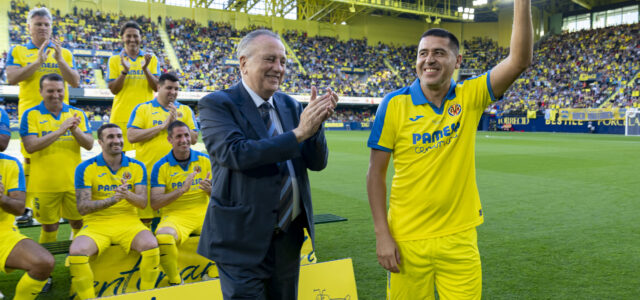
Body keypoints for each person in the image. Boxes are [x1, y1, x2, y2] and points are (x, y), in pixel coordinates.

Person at [366, 1, 533, 299]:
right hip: (406, 239)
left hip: (459, 238)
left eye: (439, 53)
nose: (429, 60)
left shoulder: (470, 96)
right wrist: (382, 234)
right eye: (423, 53)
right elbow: (375, 173)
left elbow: (519, 60)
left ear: (457, 61)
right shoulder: (393, 104)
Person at [197, 29, 337, 300]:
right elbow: (236, 153)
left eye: (283, 61)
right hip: (240, 240)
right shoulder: (217, 104)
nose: (279, 68)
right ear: (243, 63)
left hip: (287, 237)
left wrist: (316, 125)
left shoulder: (290, 105)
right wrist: (299, 133)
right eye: (270, 59)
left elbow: (317, 163)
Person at [5, 6, 80, 223]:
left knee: (62, 154)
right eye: (38, 24)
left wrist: (59, 60)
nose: (43, 28)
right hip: (31, 114)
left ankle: (63, 201)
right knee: (30, 158)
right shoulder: (18, 50)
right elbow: (12, 78)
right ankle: (27, 205)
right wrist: (38, 61)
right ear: (29, 27)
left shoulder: (64, 52)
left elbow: (74, 81)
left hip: (60, 114)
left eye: (47, 24)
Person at [69, 123, 159, 299]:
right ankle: (88, 297)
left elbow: (142, 203)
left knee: (151, 245)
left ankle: (148, 294)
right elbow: (83, 207)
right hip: (97, 224)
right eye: (110, 137)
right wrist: (113, 200)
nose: (116, 140)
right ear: (100, 142)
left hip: (129, 222)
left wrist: (127, 196)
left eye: (119, 136)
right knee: (77, 251)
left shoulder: (137, 166)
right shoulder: (85, 167)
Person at [19, 73, 93, 243]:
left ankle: (76, 259)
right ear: (41, 91)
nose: (56, 94)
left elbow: (89, 144)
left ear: (65, 90)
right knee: (49, 226)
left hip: (74, 182)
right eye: (50, 90)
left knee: (78, 221)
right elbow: (31, 146)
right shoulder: (30, 115)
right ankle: (45, 267)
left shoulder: (76, 113)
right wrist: (60, 130)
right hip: (44, 184)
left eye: (60, 90)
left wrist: (75, 130)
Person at [127, 73, 198, 224]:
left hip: (175, 178)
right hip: (147, 174)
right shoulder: (143, 109)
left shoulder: (185, 111)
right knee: (145, 220)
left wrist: (176, 124)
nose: (173, 92)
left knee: (173, 219)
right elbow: (132, 136)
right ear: (158, 87)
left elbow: (193, 139)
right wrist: (163, 126)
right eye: (169, 88)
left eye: (176, 88)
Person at [150, 120, 211, 286]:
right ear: (170, 140)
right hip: (176, 215)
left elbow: (223, 196)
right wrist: (181, 190)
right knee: (163, 237)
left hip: (203, 212)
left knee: (232, 227)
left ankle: (214, 274)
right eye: (178, 136)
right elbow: (155, 203)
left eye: (186, 135)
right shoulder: (161, 166)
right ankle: (175, 281)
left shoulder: (205, 160)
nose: (184, 140)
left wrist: (210, 191)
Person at [0, 152, 55, 300]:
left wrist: (2, 198)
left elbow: (18, 208)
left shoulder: (10, 163)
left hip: (3, 230)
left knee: (44, 262)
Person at [107, 20, 160, 152]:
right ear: (122, 38)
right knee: (118, 157)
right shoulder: (114, 59)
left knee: (146, 155)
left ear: (141, 38)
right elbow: (114, 90)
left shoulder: (151, 59)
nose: (132, 39)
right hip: (121, 116)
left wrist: (146, 69)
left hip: (146, 116)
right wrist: (124, 71)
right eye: (128, 36)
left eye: (135, 36)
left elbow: (157, 87)